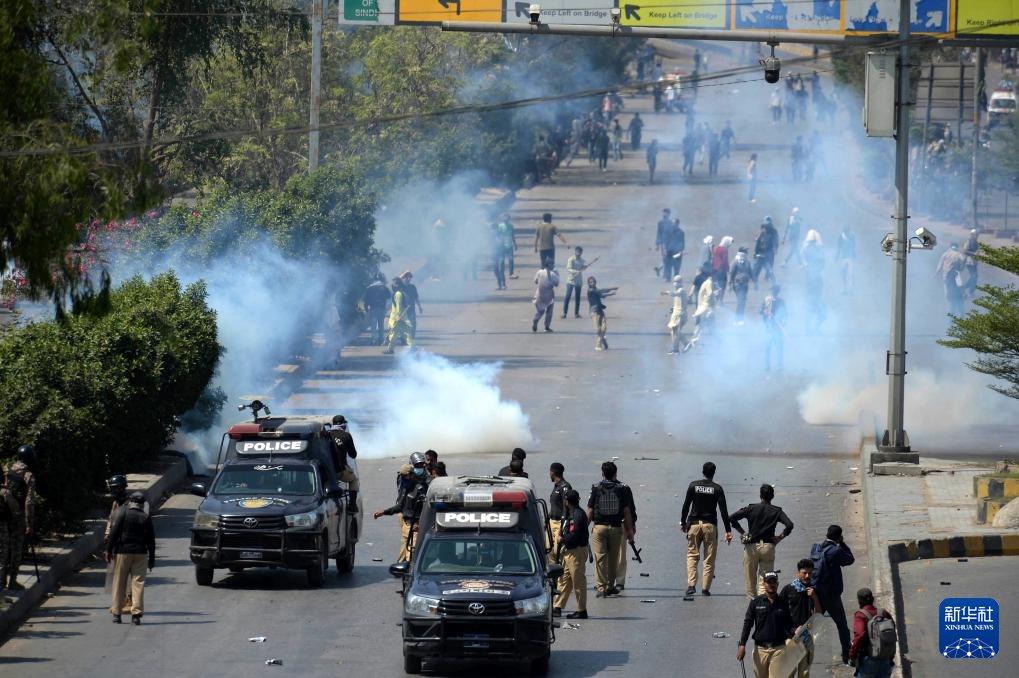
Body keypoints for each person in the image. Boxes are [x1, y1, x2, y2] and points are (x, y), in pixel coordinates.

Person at [730, 483, 794, 599]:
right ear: (772, 496)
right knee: (765, 580)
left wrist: (743, 533)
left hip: (751, 547)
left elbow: (732, 518)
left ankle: (752, 605)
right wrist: (779, 538)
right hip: (768, 547)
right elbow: (789, 525)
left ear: (760, 496)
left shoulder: (751, 508)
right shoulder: (777, 511)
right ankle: (764, 605)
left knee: (750, 581)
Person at [681, 461, 732, 596]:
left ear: (702, 471)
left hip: (694, 525)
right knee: (709, 558)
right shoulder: (717, 489)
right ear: (714, 473)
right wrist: (728, 530)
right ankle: (705, 589)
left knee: (692, 555)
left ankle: (691, 586)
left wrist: (683, 522)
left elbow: (686, 506)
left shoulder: (693, 486)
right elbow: (723, 511)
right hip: (710, 526)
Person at [586, 461, 635, 597]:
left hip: (599, 528)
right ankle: (610, 586)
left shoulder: (596, 488)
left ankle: (600, 587)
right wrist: (630, 531)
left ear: (602, 473)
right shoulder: (621, 489)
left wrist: (583, 528)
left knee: (600, 558)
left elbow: (590, 511)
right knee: (613, 559)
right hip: (616, 528)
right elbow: (627, 512)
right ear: (615, 473)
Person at [107, 491, 155, 625]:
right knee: (138, 584)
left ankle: (117, 613)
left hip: (123, 553)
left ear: (130, 502)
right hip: (141, 554)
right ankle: (136, 615)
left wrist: (109, 551)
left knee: (119, 583)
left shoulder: (123, 514)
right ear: (142, 504)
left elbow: (114, 533)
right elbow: (151, 541)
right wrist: (152, 559)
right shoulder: (145, 517)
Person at [811, 524, 856, 665]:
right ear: (838, 536)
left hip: (816, 593)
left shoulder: (817, 548)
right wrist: (842, 543)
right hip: (831, 596)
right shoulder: (835, 551)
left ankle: (800, 650)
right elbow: (850, 559)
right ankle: (847, 654)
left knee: (810, 624)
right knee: (842, 625)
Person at [373, 452, 430, 562]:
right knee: (406, 544)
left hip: (415, 523)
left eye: (421, 465)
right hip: (407, 519)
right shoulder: (405, 485)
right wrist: (383, 512)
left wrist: (417, 522)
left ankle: (406, 566)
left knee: (411, 552)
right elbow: (400, 505)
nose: (402, 478)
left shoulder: (420, 487)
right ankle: (401, 565)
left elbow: (423, 507)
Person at [738, 571, 797, 678]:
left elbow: (789, 624)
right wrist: (742, 645)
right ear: (764, 584)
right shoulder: (755, 602)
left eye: (774, 582)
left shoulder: (783, 602)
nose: (772, 584)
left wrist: (795, 630)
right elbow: (748, 624)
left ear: (777, 584)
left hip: (779, 649)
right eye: (769, 582)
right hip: (760, 650)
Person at [780, 559, 823, 678]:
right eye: (804, 573)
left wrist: (814, 597)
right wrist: (793, 630)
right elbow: (779, 614)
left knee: (804, 672)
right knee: (789, 672)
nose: (807, 576)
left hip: (807, 637)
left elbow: (819, 614)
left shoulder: (814, 591)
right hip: (790, 638)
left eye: (810, 573)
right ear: (798, 573)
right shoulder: (788, 590)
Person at [553, 489, 589, 619]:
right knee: (564, 579)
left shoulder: (577, 515)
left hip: (576, 552)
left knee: (578, 581)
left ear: (567, 502)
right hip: (570, 552)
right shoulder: (571, 513)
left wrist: (562, 539)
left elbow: (574, 535)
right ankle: (557, 607)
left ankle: (581, 611)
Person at [4, 445, 35, 590]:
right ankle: (12, 581)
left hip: (4, 513)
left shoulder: (7, 468)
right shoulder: (28, 475)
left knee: (3, 549)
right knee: (16, 549)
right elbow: (29, 502)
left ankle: (1, 580)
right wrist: (29, 524)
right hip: (18, 516)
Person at [849, 588, 895, 677]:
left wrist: (852, 654)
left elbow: (859, 635)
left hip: (869, 658)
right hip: (885, 658)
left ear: (859, 601)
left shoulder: (860, 615)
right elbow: (892, 629)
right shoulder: (883, 613)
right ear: (872, 599)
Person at [326, 415, 360, 513]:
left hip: (326, 471)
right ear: (342, 424)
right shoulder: (346, 435)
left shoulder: (326, 435)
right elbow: (353, 455)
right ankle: (352, 506)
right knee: (354, 480)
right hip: (339, 471)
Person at [548, 463, 572, 563]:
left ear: (552, 473)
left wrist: (564, 525)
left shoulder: (565, 486)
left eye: (550, 472)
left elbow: (567, 507)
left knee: (558, 552)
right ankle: (552, 571)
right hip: (551, 522)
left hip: (559, 523)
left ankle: (560, 572)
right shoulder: (556, 486)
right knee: (549, 551)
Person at [384, 278, 414, 354]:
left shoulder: (398, 294)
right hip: (399, 318)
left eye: (394, 283)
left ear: (398, 284)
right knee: (396, 334)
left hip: (399, 318)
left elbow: (399, 307)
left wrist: (398, 317)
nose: (392, 285)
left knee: (403, 334)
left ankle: (412, 347)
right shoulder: (399, 293)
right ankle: (390, 349)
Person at [936, 242, 967, 317]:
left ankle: (950, 309)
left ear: (950, 246)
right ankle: (959, 311)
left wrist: (936, 274)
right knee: (958, 290)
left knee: (948, 292)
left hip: (946, 275)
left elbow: (940, 264)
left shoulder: (945, 253)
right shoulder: (958, 254)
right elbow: (963, 261)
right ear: (957, 247)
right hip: (955, 274)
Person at [587, 276, 618, 351]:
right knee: (598, 329)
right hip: (594, 312)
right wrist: (611, 291)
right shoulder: (590, 290)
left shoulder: (596, 289)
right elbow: (602, 291)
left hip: (600, 310)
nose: (593, 283)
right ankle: (599, 343)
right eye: (591, 282)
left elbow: (601, 295)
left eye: (593, 281)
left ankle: (602, 339)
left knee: (604, 328)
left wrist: (610, 292)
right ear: (589, 284)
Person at [761, 284, 787, 371]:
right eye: (773, 290)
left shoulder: (781, 302)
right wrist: (765, 311)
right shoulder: (767, 300)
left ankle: (779, 365)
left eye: (776, 290)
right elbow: (760, 311)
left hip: (777, 328)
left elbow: (785, 314)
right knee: (768, 348)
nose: (774, 292)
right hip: (768, 327)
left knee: (779, 347)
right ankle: (767, 366)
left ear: (778, 291)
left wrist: (783, 323)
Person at [532, 258, 560, 333]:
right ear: (549, 265)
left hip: (539, 294)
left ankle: (536, 319)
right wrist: (557, 275)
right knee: (549, 311)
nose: (553, 265)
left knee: (540, 310)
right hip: (549, 295)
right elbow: (557, 284)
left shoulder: (540, 272)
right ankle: (547, 327)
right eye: (552, 264)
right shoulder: (553, 274)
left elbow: (535, 281)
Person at [562, 246, 590, 319]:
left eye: (580, 252)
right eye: (577, 251)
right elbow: (569, 269)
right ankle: (564, 313)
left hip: (578, 281)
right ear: (575, 251)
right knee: (567, 296)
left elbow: (582, 268)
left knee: (577, 298)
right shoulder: (571, 259)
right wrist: (576, 271)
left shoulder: (582, 260)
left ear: (581, 253)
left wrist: (585, 267)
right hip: (571, 280)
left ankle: (576, 313)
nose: (579, 253)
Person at [363, 273, 391, 345]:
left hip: (373, 308)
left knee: (373, 325)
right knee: (381, 324)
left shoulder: (369, 288)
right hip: (382, 308)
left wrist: (366, 309)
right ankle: (381, 339)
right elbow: (389, 299)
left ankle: (374, 339)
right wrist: (387, 308)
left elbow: (366, 300)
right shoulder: (385, 288)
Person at [664, 275, 689, 354]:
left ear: (680, 282)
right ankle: (678, 347)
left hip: (680, 315)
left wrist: (667, 292)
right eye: (674, 281)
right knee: (675, 332)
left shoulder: (681, 290)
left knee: (675, 331)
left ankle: (683, 345)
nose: (675, 283)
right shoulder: (678, 290)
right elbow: (677, 304)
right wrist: (672, 310)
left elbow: (675, 294)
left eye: (677, 281)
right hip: (677, 314)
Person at [730, 247, 753, 323]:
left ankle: (740, 319)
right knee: (741, 301)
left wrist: (755, 281)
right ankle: (738, 319)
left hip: (745, 285)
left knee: (742, 302)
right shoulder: (735, 262)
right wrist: (730, 284)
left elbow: (751, 272)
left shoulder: (747, 262)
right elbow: (731, 273)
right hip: (738, 285)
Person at [753, 218, 779, 285]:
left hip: (768, 254)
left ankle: (773, 282)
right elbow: (757, 243)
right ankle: (755, 279)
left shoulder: (772, 233)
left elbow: (774, 242)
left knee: (769, 268)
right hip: (761, 254)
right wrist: (755, 252)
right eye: (763, 228)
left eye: (764, 228)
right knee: (757, 267)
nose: (763, 229)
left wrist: (775, 249)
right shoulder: (761, 234)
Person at [399, 271, 423, 338]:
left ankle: (411, 337)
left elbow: (416, 297)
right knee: (402, 324)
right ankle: (403, 338)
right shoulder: (401, 286)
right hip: (402, 310)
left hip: (411, 309)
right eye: (406, 277)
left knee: (412, 324)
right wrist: (405, 272)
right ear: (403, 278)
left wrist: (420, 307)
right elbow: (398, 279)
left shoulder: (413, 287)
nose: (408, 279)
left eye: (409, 277)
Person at [496, 213, 518, 280]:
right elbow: (497, 235)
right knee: (502, 260)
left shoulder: (511, 226)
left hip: (509, 245)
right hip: (502, 246)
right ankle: (501, 273)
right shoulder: (500, 226)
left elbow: (512, 235)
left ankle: (511, 274)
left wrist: (515, 244)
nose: (506, 219)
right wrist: (498, 243)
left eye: (507, 218)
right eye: (504, 218)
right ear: (502, 219)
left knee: (511, 260)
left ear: (509, 219)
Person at [712, 236, 733, 302]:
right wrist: (728, 269)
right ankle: (721, 300)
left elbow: (714, 258)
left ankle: (716, 299)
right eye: (729, 243)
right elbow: (724, 260)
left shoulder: (717, 248)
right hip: (721, 270)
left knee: (716, 285)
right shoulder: (724, 250)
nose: (730, 245)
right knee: (722, 285)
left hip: (715, 269)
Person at [963, 228, 980, 298]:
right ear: (972, 235)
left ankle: (971, 292)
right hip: (969, 262)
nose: (977, 236)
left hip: (974, 262)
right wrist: (973, 253)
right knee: (974, 277)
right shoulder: (969, 241)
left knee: (974, 277)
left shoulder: (976, 242)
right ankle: (964, 288)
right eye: (976, 234)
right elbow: (965, 251)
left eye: (977, 234)